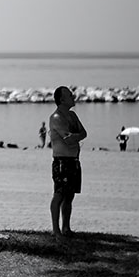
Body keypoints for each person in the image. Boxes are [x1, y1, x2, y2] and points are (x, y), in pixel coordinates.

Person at [49, 86, 87, 239]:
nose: (73, 96)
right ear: (62, 99)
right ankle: (56, 230)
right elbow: (69, 140)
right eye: (70, 95)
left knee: (70, 195)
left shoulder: (72, 115)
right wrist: (76, 136)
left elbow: (84, 133)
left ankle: (66, 228)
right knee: (59, 194)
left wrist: (75, 136)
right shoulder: (56, 117)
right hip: (62, 162)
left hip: (74, 161)